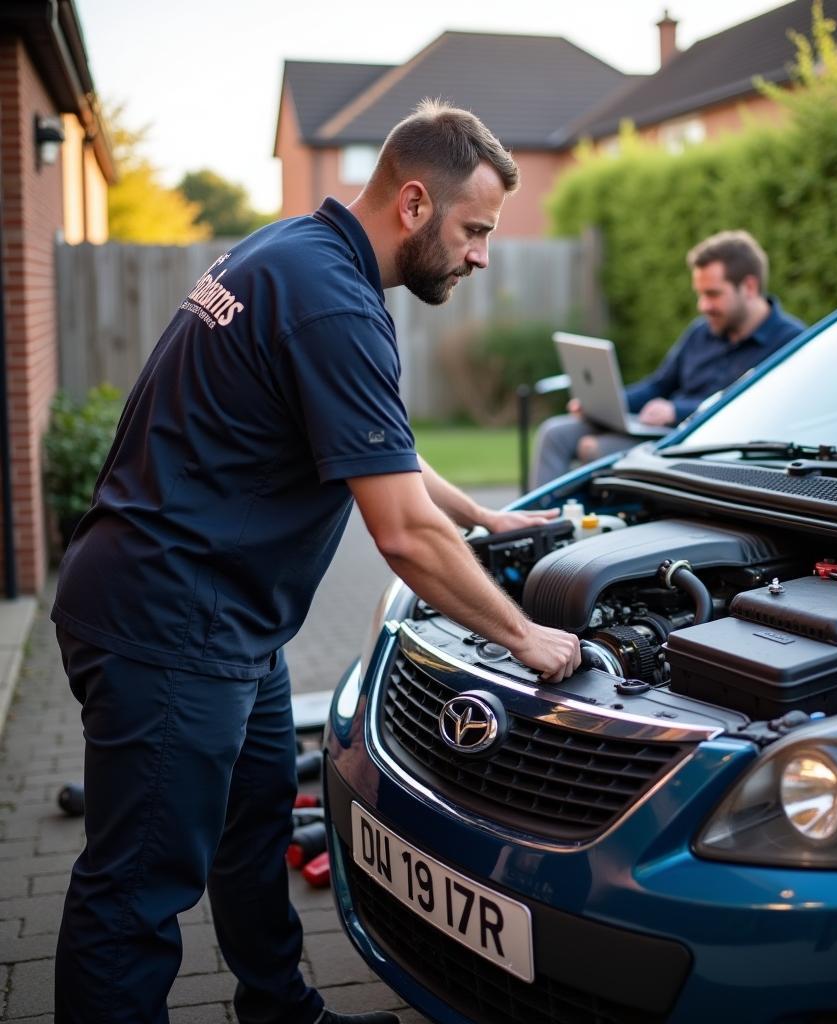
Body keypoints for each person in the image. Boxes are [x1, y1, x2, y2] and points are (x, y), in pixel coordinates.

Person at [50, 100, 581, 1024]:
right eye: (476, 229)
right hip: (172, 625)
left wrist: (483, 517)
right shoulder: (334, 301)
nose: (484, 254)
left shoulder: (293, 252)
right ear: (415, 204)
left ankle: (280, 1010)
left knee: (253, 831)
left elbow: (384, 452)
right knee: (136, 893)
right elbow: (404, 537)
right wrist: (525, 636)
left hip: (230, 624)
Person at [530, 229, 805, 487]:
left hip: (705, 445)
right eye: (700, 294)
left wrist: (676, 412)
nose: (703, 306)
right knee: (555, 432)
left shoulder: (790, 342)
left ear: (749, 286)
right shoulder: (701, 332)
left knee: (595, 447)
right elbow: (659, 385)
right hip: (660, 434)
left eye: (712, 294)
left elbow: (755, 410)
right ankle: (534, 526)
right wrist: (607, 404)